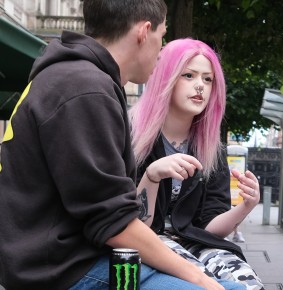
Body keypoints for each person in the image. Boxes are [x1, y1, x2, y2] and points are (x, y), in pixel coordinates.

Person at [0, 1, 246, 290]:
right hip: (66, 269)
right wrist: (198, 278)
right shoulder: (84, 89)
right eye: (162, 37)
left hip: (66, 258)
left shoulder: (76, 79)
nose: (161, 50)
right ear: (144, 32)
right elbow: (114, 222)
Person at [129, 38, 265, 289]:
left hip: (194, 241)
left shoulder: (211, 147)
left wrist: (246, 206)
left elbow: (210, 228)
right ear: (165, 78)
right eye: (189, 75)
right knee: (205, 283)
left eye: (207, 79)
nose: (200, 86)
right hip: (145, 242)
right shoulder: (132, 135)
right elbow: (131, 225)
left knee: (248, 282)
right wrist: (151, 176)